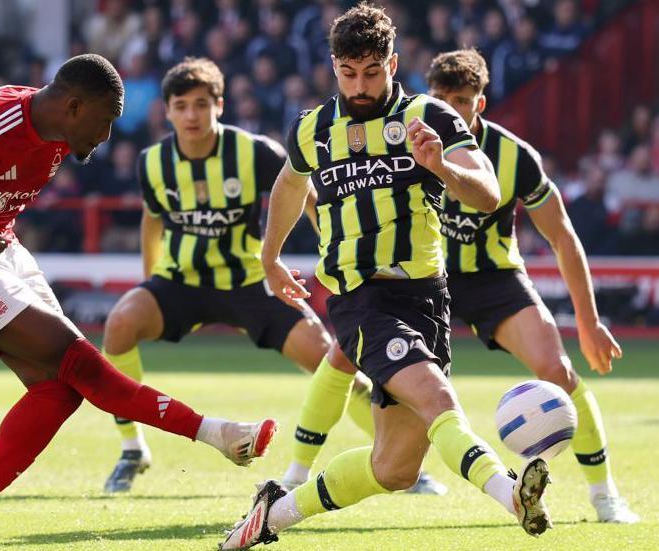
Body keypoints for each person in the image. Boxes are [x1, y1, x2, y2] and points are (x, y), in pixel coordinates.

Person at [0, 54, 277, 551]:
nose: (108, 134)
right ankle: (218, 433)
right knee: (80, 364)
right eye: (105, 119)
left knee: (59, 390)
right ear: (73, 106)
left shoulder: (59, 128)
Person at [220, 6, 552, 549]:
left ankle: (273, 514)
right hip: (361, 298)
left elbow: (489, 193)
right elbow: (289, 184)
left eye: (372, 72)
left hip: (427, 298)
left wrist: (441, 165)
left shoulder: (431, 116)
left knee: (394, 467)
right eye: (349, 73)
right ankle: (511, 494)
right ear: (334, 66)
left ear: (393, 64)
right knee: (438, 399)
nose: (360, 86)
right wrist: (270, 257)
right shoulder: (313, 127)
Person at [98, 57, 442, 495]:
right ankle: (132, 448)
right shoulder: (152, 162)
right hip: (181, 283)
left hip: (250, 282)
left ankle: (396, 457)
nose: (191, 115)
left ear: (219, 105)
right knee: (120, 323)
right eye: (181, 106)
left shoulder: (254, 151)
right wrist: (151, 281)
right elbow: (152, 219)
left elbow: (307, 194)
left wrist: (334, 247)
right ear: (166, 111)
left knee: (330, 356)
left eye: (201, 104)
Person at [427, 49, 639, 523]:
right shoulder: (405, 144)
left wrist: (588, 322)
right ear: (429, 98)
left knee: (559, 372)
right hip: (425, 276)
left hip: (495, 280)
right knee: (346, 360)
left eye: (463, 101)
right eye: (442, 99)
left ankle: (605, 495)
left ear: (480, 103)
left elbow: (562, 236)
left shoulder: (515, 156)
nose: (452, 110)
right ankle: (299, 475)